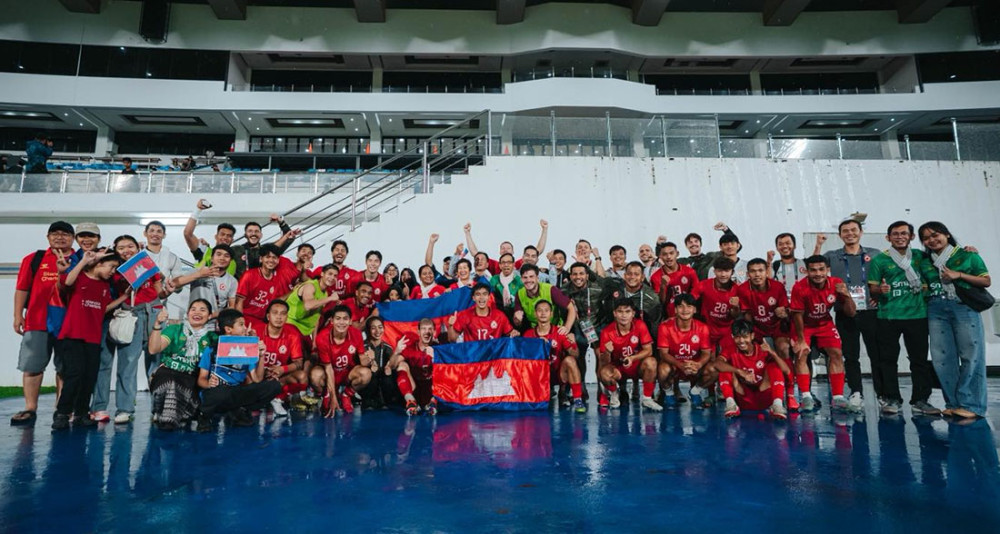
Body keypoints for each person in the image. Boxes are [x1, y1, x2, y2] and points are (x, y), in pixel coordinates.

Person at [917, 221, 991, 419]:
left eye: (935, 235)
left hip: (962, 306)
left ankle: (972, 405)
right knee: (942, 358)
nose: (932, 240)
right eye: (926, 238)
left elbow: (986, 280)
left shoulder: (967, 255)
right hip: (936, 308)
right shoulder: (925, 261)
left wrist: (958, 275)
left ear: (946, 234)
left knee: (971, 354)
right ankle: (953, 403)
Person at [91, 235, 168, 424]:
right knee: (127, 364)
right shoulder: (114, 270)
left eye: (130, 246)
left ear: (138, 247)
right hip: (130, 314)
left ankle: (158, 409)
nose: (127, 250)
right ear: (115, 250)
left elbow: (159, 290)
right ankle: (125, 409)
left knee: (156, 365)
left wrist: (169, 289)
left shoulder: (146, 263)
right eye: (121, 248)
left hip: (154, 311)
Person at [867, 221, 941, 416]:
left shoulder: (921, 256)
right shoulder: (879, 260)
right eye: (895, 234)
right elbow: (872, 288)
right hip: (888, 316)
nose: (899, 237)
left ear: (911, 237)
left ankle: (920, 400)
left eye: (904, 233)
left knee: (919, 360)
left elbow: (942, 260)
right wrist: (880, 290)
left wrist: (967, 250)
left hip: (917, 315)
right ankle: (891, 398)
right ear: (888, 237)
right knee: (887, 360)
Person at [51, 249, 128, 430]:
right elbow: (67, 281)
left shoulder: (104, 286)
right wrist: (85, 260)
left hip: (93, 339)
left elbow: (103, 308)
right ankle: (62, 413)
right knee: (74, 375)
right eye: (111, 266)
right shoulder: (79, 278)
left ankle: (81, 414)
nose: (113, 271)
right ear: (99, 264)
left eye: (115, 268)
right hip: (72, 336)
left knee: (89, 376)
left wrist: (124, 297)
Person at [11, 221, 75, 426]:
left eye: (65, 234)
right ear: (48, 237)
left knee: (65, 368)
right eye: (55, 233)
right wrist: (18, 315)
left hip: (68, 324)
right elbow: (22, 288)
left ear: (73, 238)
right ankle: (30, 408)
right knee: (32, 367)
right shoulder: (34, 259)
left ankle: (61, 409)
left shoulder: (79, 259)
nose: (60, 237)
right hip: (37, 322)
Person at [815, 218, 881, 413]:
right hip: (844, 312)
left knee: (876, 355)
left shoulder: (875, 254)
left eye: (853, 230)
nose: (850, 233)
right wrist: (818, 245)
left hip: (871, 311)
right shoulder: (832, 256)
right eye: (845, 231)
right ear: (840, 235)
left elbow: (885, 276)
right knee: (851, 356)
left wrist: (878, 295)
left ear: (861, 232)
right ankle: (856, 392)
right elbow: (814, 266)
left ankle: (882, 393)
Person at [789, 255, 855, 413]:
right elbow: (797, 315)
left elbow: (851, 313)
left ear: (828, 270)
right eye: (813, 270)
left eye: (821, 269)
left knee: (837, 353)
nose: (818, 273)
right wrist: (801, 340)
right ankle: (806, 396)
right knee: (801, 353)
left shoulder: (836, 283)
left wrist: (846, 295)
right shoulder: (799, 287)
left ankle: (838, 397)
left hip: (824, 324)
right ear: (807, 271)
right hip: (803, 324)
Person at [197, 309, 282, 430]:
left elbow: (257, 379)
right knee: (220, 393)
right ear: (228, 329)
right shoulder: (212, 350)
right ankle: (204, 416)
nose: (245, 328)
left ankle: (239, 410)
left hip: (236, 392)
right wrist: (208, 383)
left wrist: (261, 355)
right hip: (217, 393)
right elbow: (201, 379)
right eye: (241, 324)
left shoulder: (248, 350)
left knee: (274, 385)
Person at [148, 299, 217, 431]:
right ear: (187, 313)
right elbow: (153, 349)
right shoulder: (175, 329)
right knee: (171, 382)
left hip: (191, 379)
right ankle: (168, 419)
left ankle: (169, 415)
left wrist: (245, 337)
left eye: (202, 310)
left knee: (183, 388)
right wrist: (157, 324)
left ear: (209, 316)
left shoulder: (212, 338)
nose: (197, 312)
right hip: (167, 373)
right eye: (193, 309)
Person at [736, 257, 796, 409]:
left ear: (766, 272)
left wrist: (784, 312)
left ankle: (790, 394)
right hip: (757, 328)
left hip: (776, 326)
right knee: (755, 353)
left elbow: (786, 311)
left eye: (760, 271)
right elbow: (747, 317)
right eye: (753, 271)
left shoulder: (777, 287)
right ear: (748, 274)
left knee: (783, 348)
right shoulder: (742, 289)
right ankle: (759, 391)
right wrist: (755, 338)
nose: (757, 274)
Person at [716, 319, 791, 420]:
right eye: (737, 337)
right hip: (743, 398)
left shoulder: (762, 350)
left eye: (745, 336)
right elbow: (717, 364)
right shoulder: (731, 349)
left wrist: (772, 353)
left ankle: (777, 405)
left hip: (764, 397)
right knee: (725, 367)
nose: (741, 341)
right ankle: (731, 404)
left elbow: (786, 371)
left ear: (752, 336)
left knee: (774, 366)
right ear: (732, 337)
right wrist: (739, 371)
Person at [597, 298, 661, 412]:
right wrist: (607, 352)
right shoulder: (607, 332)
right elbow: (604, 362)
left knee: (651, 362)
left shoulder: (640, 325)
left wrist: (632, 358)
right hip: (618, 369)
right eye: (620, 311)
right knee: (604, 373)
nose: (624, 315)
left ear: (633, 313)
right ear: (614, 313)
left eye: (627, 311)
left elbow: (649, 350)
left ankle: (647, 398)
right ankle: (614, 393)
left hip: (636, 366)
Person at [656, 293, 717, 409]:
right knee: (663, 369)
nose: (685, 310)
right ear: (675, 310)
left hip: (694, 366)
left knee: (714, 369)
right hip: (675, 365)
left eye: (689, 306)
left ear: (694, 310)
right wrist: (680, 365)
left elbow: (706, 353)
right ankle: (669, 394)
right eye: (681, 306)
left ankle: (695, 391)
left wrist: (699, 364)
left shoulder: (702, 327)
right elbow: (663, 354)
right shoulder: (665, 327)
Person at [523, 300, 584, 412]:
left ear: (551, 314)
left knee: (570, 360)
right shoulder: (528, 334)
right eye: (540, 310)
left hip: (557, 374)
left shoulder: (559, 332)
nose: (543, 313)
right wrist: (537, 345)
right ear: (535, 314)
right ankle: (536, 394)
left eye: (546, 310)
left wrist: (573, 343)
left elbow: (575, 354)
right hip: (538, 376)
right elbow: (523, 360)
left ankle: (577, 399)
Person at [314, 304, 373, 416]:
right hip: (329, 373)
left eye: (345, 319)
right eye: (338, 318)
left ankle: (346, 395)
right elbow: (328, 368)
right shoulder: (322, 337)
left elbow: (363, 361)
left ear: (350, 321)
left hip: (347, 373)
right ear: (332, 321)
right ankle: (326, 395)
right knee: (315, 375)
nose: (341, 322)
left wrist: (370, 358)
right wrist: (333, 397)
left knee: (366, 373)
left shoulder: (356, 334)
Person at [235, 243, 303, 333]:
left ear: (278, 260)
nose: (271, 260)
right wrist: (241, 325)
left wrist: (293, 291)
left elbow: (275, 300)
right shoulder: (249, 275)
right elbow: (239, 301)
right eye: (267, 257)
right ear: (261, 259)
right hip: (246, 318)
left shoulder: (277, 278)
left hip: (262, 321)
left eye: (274, 257)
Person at [170, 245, 237, 330]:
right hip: (192, 322)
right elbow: (174, 283)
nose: (222, 258)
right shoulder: (198, 271)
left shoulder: (232, 281)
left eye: (226, 256)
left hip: (214, 325)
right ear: (212, 258)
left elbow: (231, 307)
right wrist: (199, 275)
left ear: (230, 261)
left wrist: (213, 315)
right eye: (218, 254)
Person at [257, 299, 306, 417]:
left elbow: (299, 363)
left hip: (278, 376)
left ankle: (278, 398)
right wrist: (263, 371)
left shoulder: (292, 334)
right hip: (257, 375)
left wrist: (282, 369)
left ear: (287, 317)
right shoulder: (256, 331)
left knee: (302, 376)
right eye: (275, 313)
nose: (279, 317)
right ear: (268, 316)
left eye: (283, 313)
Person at [691, 257, 741, 353]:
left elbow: (735, 315)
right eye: (719, 271)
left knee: (728, 357)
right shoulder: (703, 285)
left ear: (732, 272)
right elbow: (690, 301)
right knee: (708, 357)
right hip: (706, 330)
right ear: (714, 271)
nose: (723, 274)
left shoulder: (737, 290)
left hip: (727, 332)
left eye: (726, 271)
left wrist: (735, 307)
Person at [512, 264, 578, 332]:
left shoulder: (551, 289)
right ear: (521, 279)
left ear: (537, 278)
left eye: (531, 277)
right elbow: (517, 322)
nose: (528, 280)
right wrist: (517, 320)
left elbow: (571, 307)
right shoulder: (519, 294)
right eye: (525, 277)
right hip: (534, 330)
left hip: (555, 329)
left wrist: (567, 328)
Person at [357, 316, 402, 411]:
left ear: (384, 329)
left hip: (382, 384)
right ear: (368, 330)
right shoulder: (362, 346)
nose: (377, 331)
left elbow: (392, 365)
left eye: (380, 327)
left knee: (389, 375)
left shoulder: (387, 347)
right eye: (373, 328)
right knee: (370, 374)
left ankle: (384, 401)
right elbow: (359, 365)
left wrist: (396, 353)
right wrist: (370, 362)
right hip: (367, 384)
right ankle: (367, 401)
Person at [395, 318, 438, 415]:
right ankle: (411, 402)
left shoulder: (439, 348)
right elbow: (393, 365)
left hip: (432, 390)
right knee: (402, 365)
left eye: (430, 329)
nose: (427, 332)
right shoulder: (411, 347)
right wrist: (396, 352)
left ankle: (433, 402)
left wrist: (436, 358)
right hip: (414, 388)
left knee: (444, 367)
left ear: (434, 332)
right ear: (418, 332)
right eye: (424, 329)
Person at [229, 214, 294, 279]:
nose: (253, 234)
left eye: (257, 231)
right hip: (240, 284)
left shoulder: (267, 249)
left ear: (261, 235)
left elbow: (289, 237)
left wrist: (280, 222)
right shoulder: (236, 250)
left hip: (263, 284)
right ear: (245, 235)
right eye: (250, 231)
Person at [183, 199, 237, 275]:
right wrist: (198, 210)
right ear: (216, 236)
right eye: (222, 234)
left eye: (229, 236)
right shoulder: (204, 250)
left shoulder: (233, 262)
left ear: (232, 240)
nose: (225, 237)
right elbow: (187, 234)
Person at [447, 282, 516, 342]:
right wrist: (450, 326)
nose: (481, 297)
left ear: (489, 297)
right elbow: (452, 339)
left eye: (484, 294)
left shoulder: (499, 315)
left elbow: (510, 333)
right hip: (472, 353)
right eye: (478, 294)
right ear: (473, 298)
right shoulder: (465, 315)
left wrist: (515, 333)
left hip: (492, 353)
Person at [285, 263, 339, 338]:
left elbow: (315, 318)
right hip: (291, 327)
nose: (332, 277)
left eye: (335, 276)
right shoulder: (310, 286)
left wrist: (314, 341)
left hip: (304, 332)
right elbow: (308, 305)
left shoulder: (325, 294)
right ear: (322, 274)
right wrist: (330, 298)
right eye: (330, 274)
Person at [650, 242, 698, 318]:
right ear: (660, 256)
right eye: (665, 254)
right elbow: (660, 302)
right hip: (669, 317)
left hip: (688, 315)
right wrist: (663, 286)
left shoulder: (689, 271)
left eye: (671, 253)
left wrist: (686, 307)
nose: (668, 257)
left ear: (677, 254)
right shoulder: (656, 276)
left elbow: (696, 293)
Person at [770, 232, 806, 299]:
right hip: (783, 302)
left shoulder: (804, 263)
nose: (784, 246)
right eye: (780, 244)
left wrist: (818, 245)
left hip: (802, 302)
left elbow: (816, 262)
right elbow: (767, 280)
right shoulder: (774, 265)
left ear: (794, 246)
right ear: (777, 248)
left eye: (788, 243)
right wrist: (768, 261)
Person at [489, 253, 523, 317]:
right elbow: (490, 298)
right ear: (500, 265)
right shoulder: (494, 279)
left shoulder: (519, 281)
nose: (506, 265)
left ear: (513, 264)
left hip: (515, 314)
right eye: (503, 262)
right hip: (497, 314)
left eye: (509, 262)